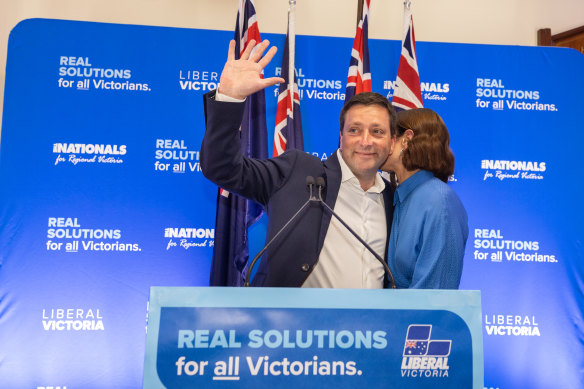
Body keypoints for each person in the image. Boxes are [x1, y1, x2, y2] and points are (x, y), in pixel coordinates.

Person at [201, 39, 397, 288]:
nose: (365, 141)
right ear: (341, 137)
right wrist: (229, 98)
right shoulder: (298, 172)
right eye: (355, 130)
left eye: (377, 132)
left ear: (392, 142)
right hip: (294, 325)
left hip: (370, 326)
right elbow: (222, 168)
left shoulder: (394, 198)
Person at [381, 108, 468, 289]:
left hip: (417, 318)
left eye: (386, 135)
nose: (378, 144)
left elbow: (434, 298)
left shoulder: (439, 202)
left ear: (406, 139)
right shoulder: (402, 195)